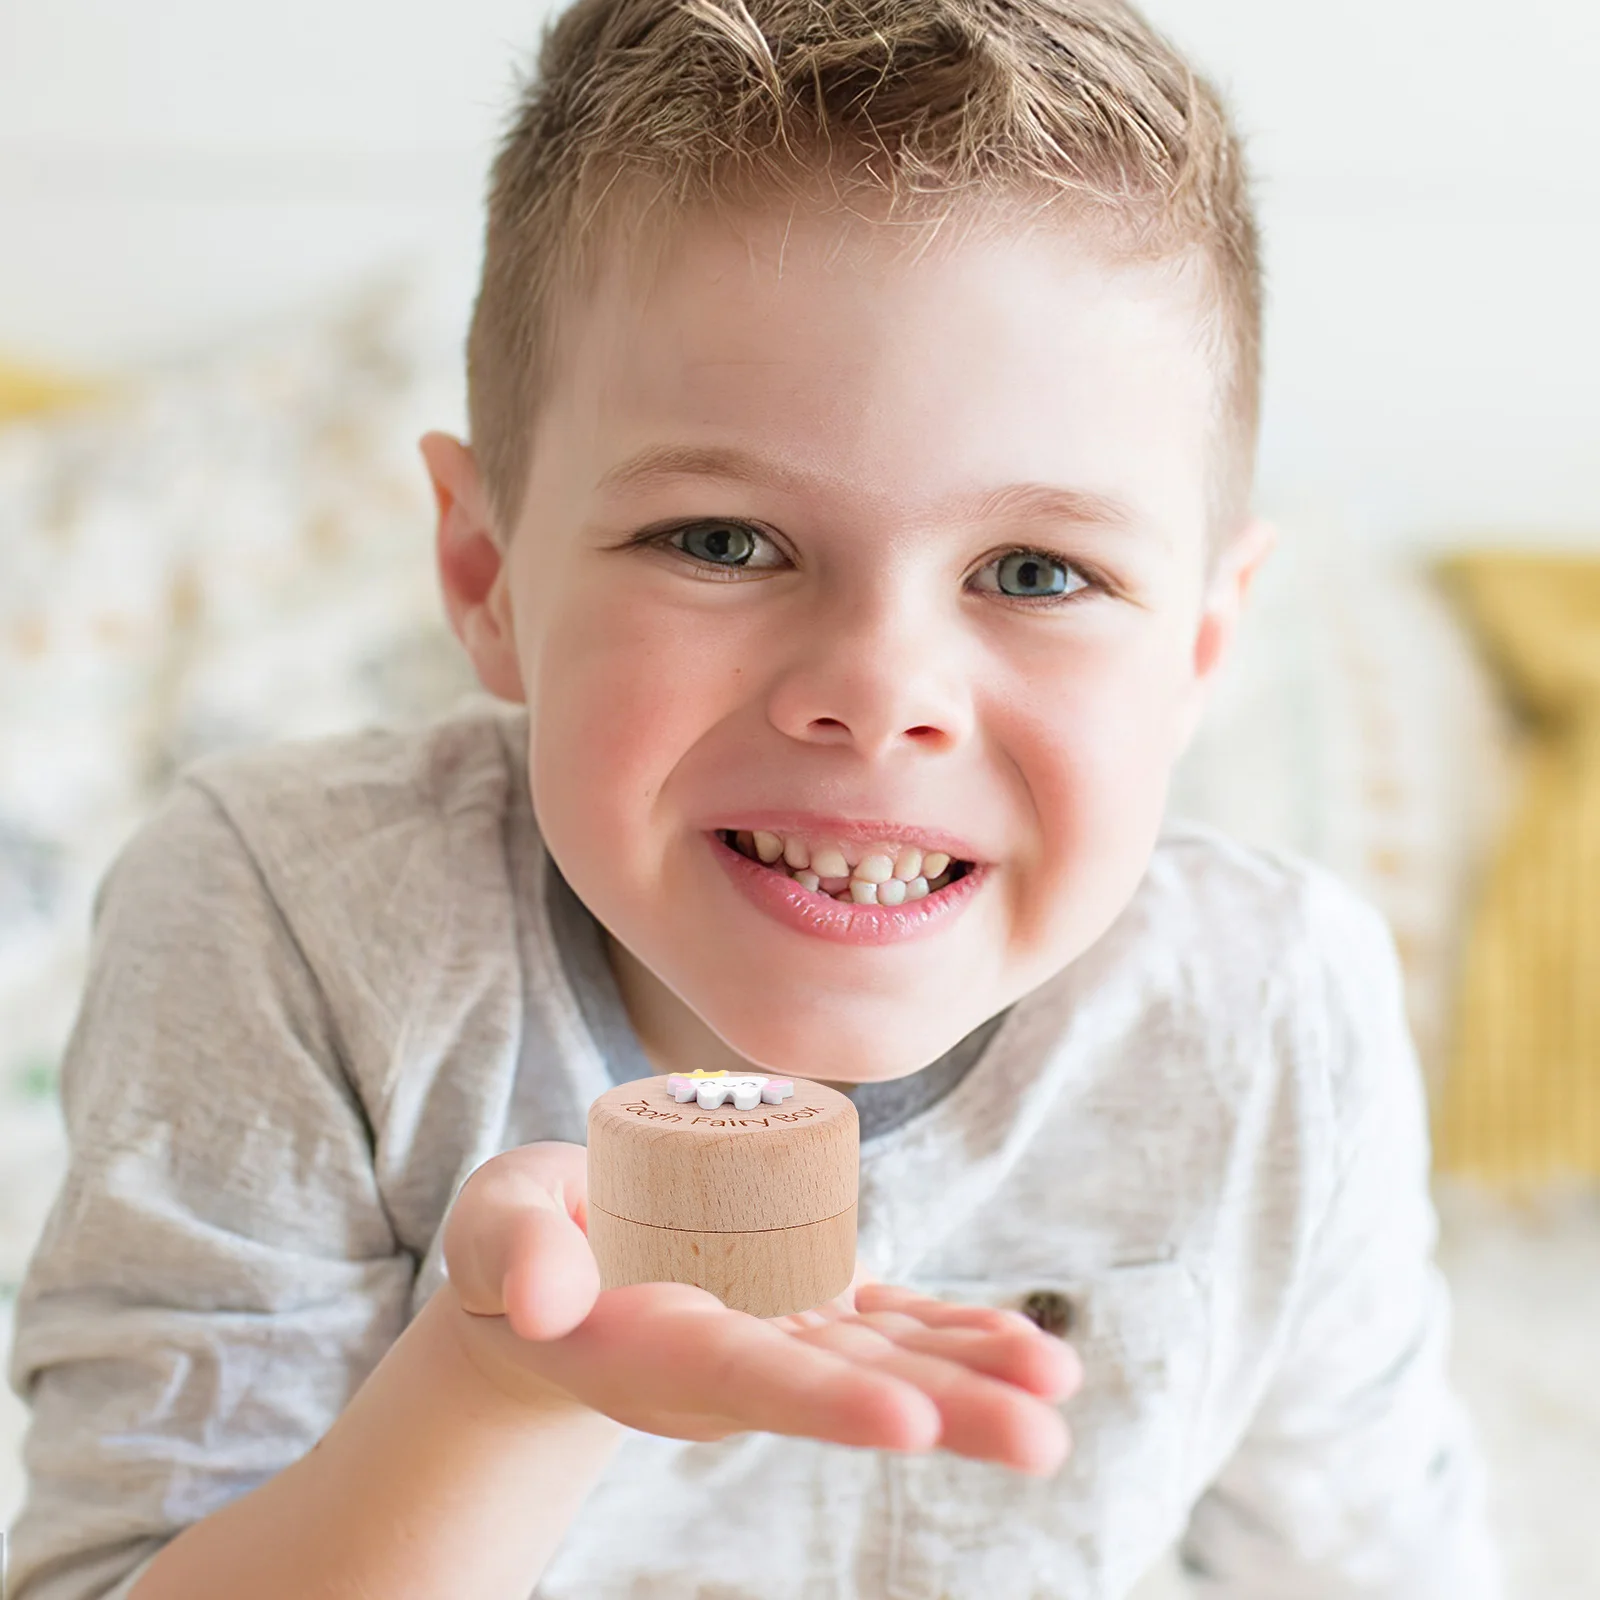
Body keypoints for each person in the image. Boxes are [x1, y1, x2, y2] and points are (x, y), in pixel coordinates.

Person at [5, 0, 1502, 1595]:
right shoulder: (286, 921)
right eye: (724, 540)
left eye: (1037, 571)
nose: (880, 687)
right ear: (483, 571)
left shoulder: (1273, 1015)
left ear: (1202, 651)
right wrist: (504, 1389)